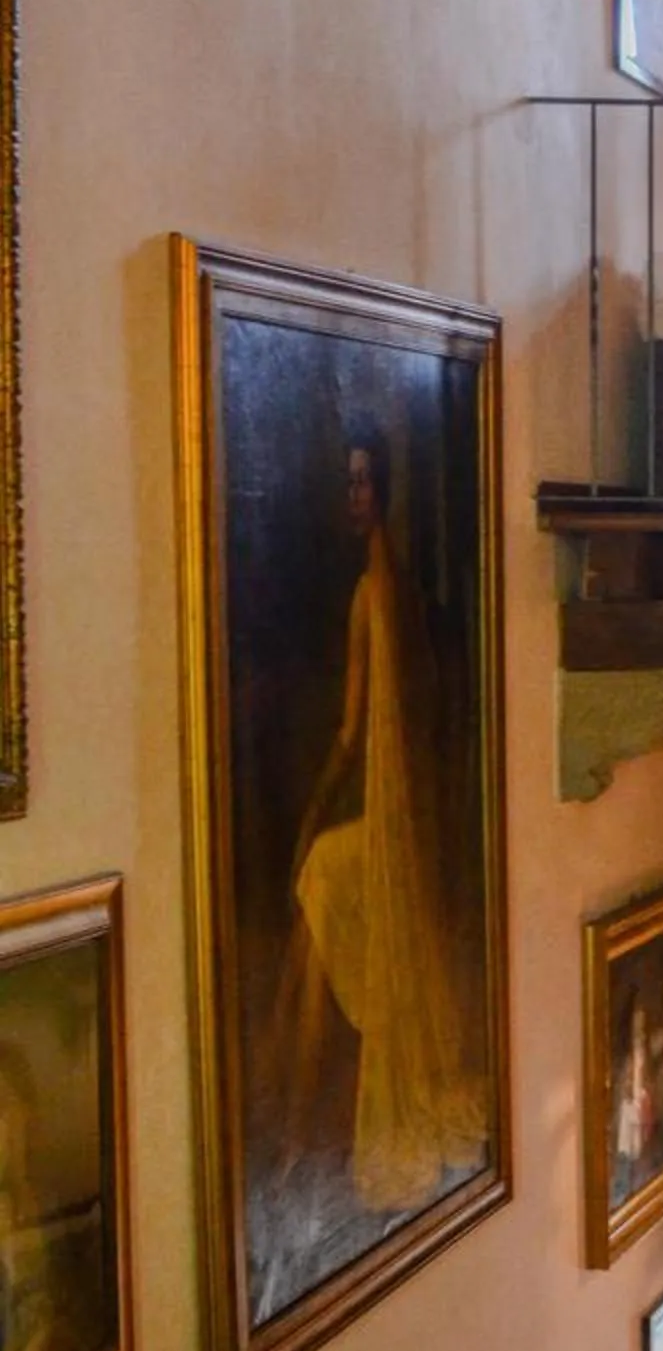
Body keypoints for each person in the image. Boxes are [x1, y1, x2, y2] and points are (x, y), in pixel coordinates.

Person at [275, 424, 485, 1210]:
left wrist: (316, 806)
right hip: (404, 826)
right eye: (348, 482)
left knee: (318, 873)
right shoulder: (402, 590)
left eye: (364, 482)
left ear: (385, 491)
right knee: (322, 889)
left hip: (393, 831)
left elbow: (352, 730)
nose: (354, 496)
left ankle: (295, 1112)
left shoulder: (375, 594)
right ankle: (293, 1111)